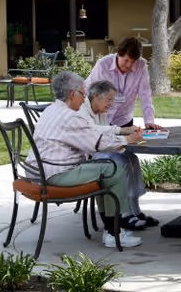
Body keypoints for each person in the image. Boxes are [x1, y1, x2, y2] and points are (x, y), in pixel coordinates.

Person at [26, 71, 144, 248]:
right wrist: (127, 140)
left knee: (104, 169)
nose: (84, 98)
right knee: (113, 169)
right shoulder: (71, 116)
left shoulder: (52, 109)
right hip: (56, 174)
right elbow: (97, 144)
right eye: (82, 93)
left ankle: (110, 230)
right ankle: (114, 233)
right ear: (72, 94)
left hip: (38, 171)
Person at [80, 80, 160, 229]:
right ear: (96, 95)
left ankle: (135, 209)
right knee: (118, 161)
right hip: (87, 156)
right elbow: (93, 131)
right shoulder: (82, 109)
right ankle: (123, 213)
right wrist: (123, 132)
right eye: (109, 99)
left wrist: (127, 134)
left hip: (100, 150)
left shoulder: (100, 110)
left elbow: (106, 131)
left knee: (131, 158)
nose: (111, 104)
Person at [85, 37, 161, 130]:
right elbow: (88, 90)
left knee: (127, 143)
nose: (129, 65)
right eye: (126, 60)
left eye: (133, 62)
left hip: (124, 120)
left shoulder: (141, 66)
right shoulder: (103, 64)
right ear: (118, 53)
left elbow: (145, 95)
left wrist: (149, 121)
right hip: (101, 120)